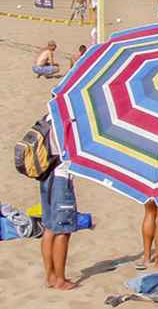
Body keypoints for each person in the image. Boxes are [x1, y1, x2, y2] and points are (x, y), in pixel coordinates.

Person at [40, 124, 78, 290]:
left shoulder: (47, 117)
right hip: (61, 177)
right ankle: (60, 279)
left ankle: (50, 275)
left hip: (46, 175)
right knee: (63, 230)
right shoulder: (67, 119)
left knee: (49, 227)